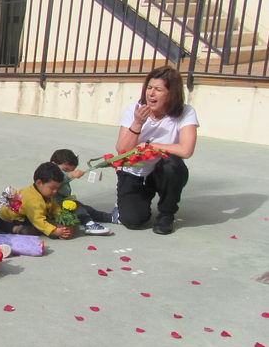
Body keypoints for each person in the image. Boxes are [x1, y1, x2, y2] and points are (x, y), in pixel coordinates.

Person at [115, 66, 198, 235]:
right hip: (134, 171)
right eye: (149, 88)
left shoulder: (186, 112)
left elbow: (186, 150)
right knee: (133, 220)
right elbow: (122, 150)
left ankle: (166, 214)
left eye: (158, 89)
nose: (151, 94)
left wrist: (152, 146)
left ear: (171, 93)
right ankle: (135, 201)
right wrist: (137, 123)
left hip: (161, 171)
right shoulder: (134, 109)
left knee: (173, 165)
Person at [0, 162, 75, 240]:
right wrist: (54, 231)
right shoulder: (33, 200)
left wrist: (61, 218)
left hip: (28, 215)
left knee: (48, 221)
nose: (55, 191)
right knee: (35, 229)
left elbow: (55, 207)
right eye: (52, 188)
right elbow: (38, 220)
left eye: (57, 188)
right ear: (39, 183)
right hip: (11, 220)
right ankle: (18, 229)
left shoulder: (44, 192)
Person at [49, 149, 113, 235]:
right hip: (54, 206)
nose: (68, 172)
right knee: (78, 209)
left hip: (65, 202)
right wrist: (70, 175)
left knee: (87, 209)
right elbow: (55, 179)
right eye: (65, 169)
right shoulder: (49, 173)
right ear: (53, 164)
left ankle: (111, 217)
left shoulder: (63, 174)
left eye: (71, 170)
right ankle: (88, 224)